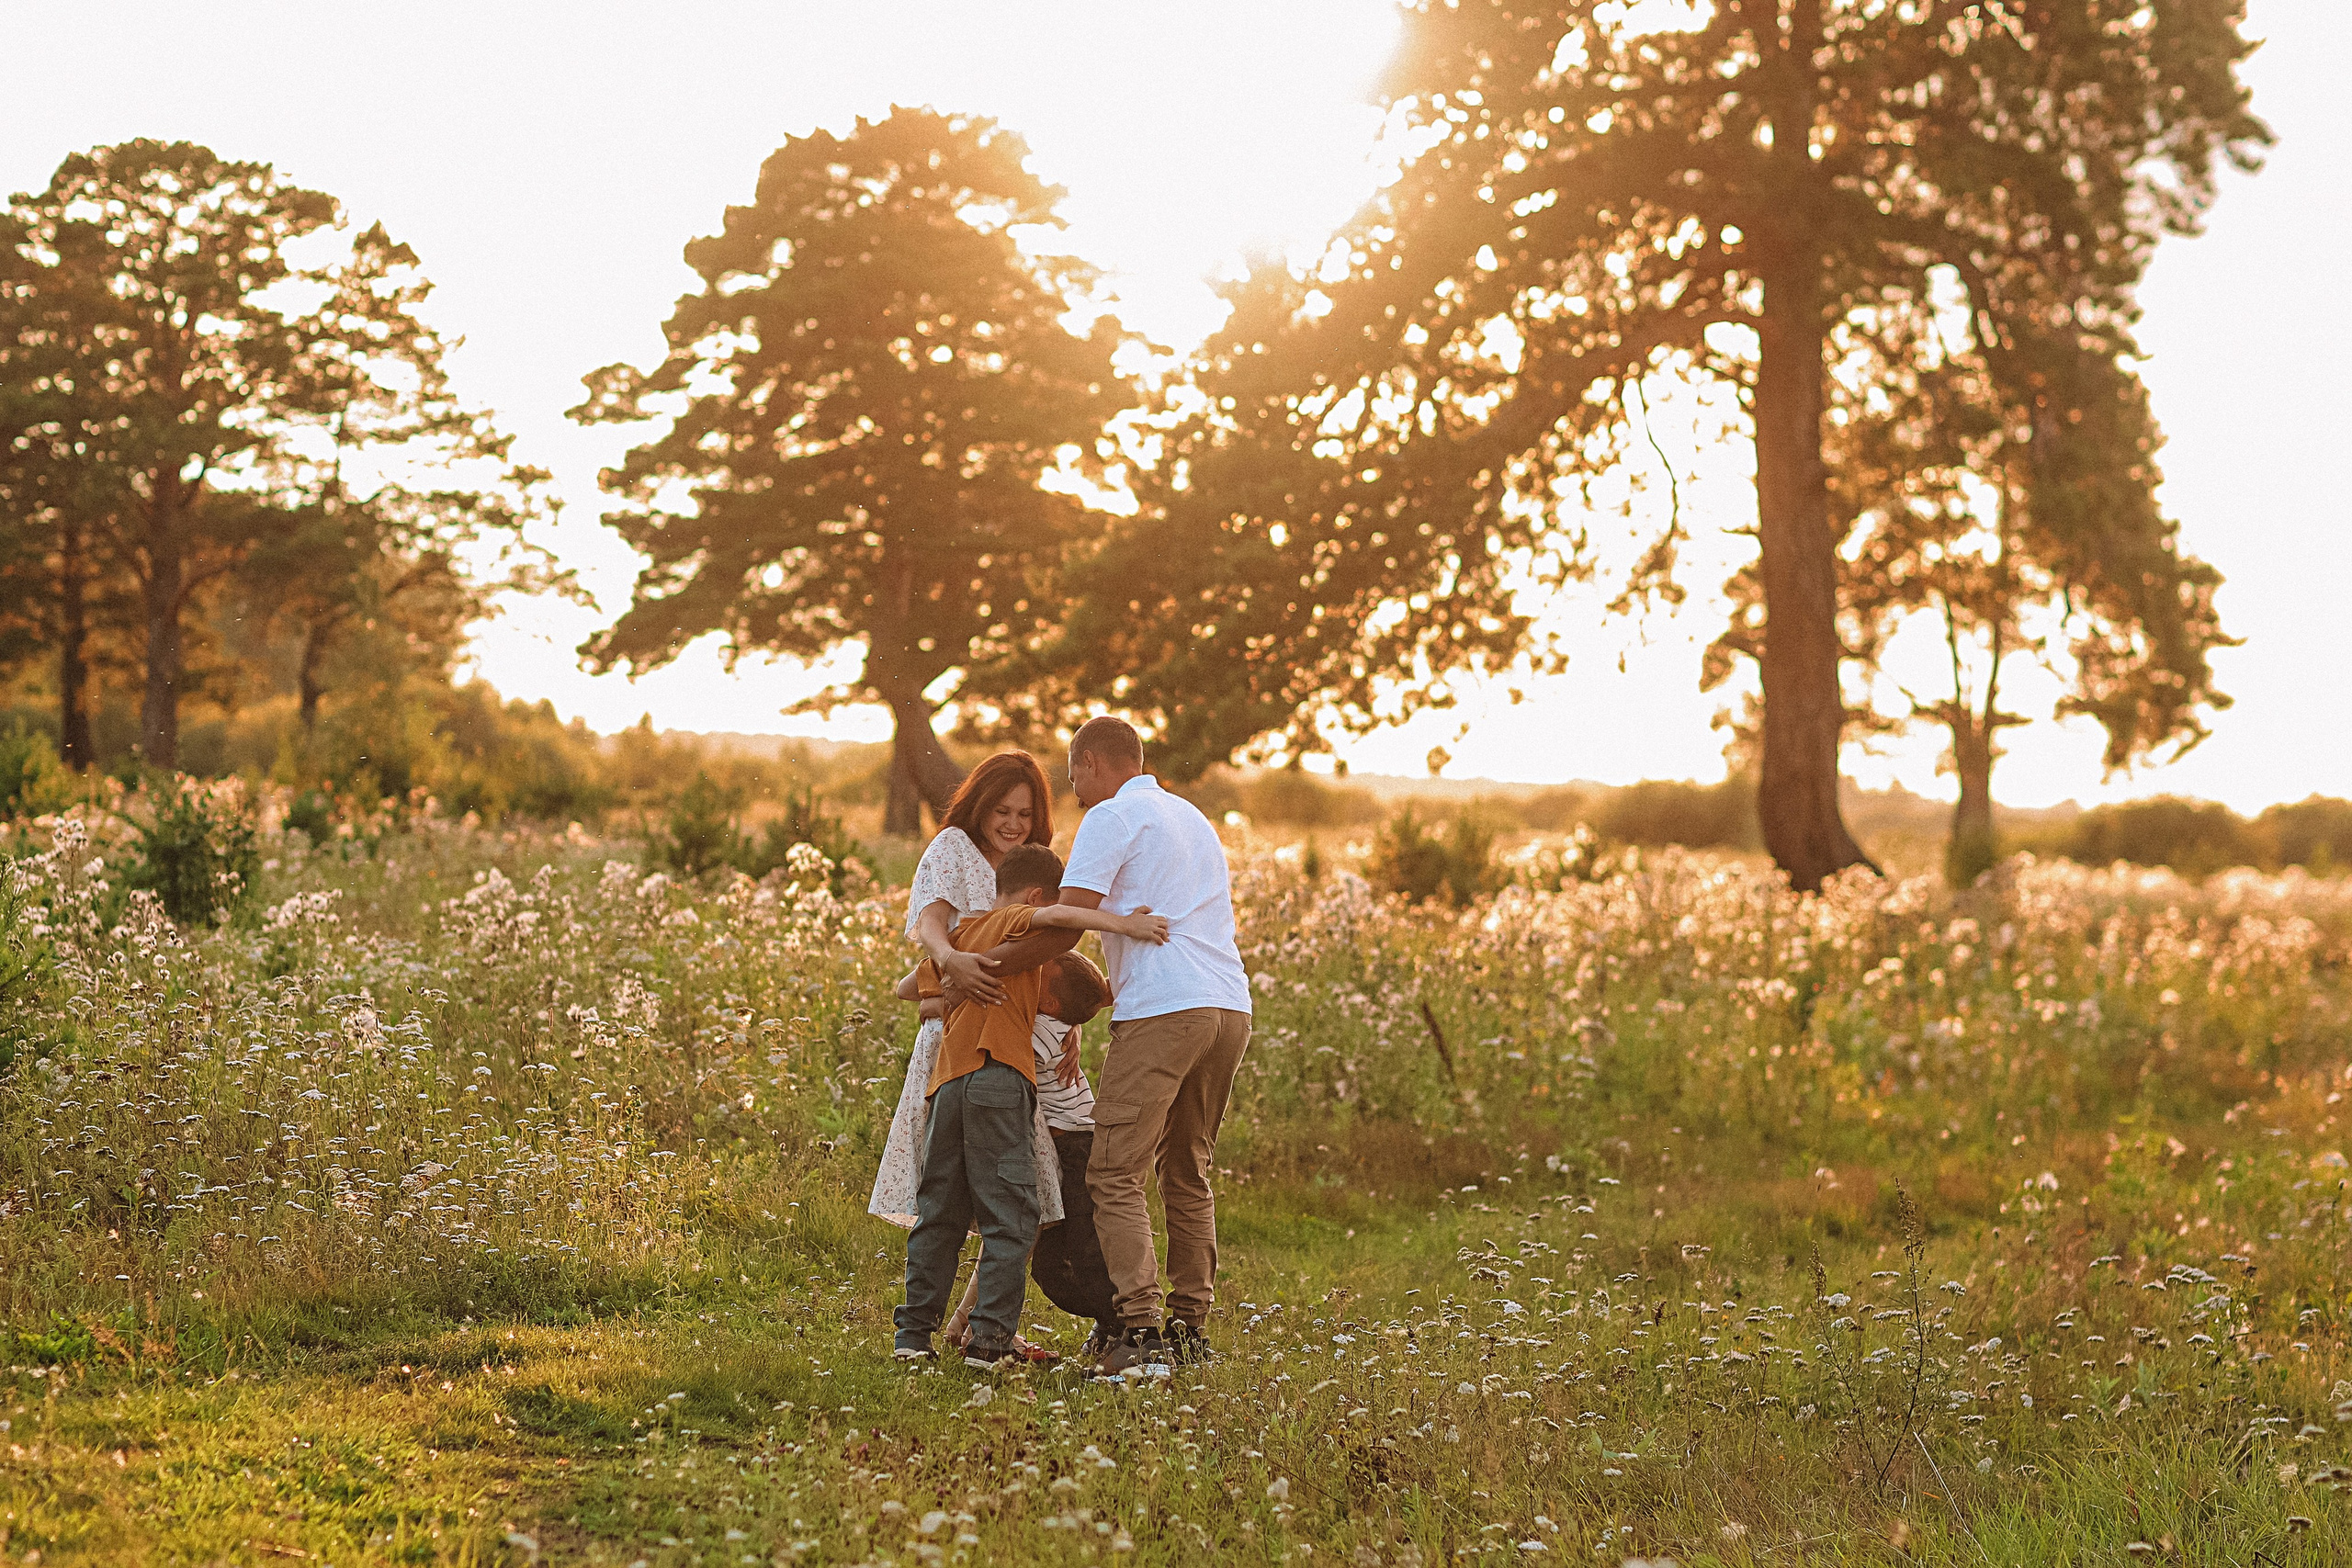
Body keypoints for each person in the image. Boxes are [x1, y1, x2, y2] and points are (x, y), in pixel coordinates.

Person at [892, 844, 1167, 1367]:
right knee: (1012, 1220)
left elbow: (907, 989)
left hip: (948, 1085)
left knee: (939, 1216)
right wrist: (1125, 926)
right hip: (999, 1079)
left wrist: (959, 975)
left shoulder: (965, 938)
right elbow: (1063, 918)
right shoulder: (1014, 923)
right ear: (1036, 895)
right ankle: (989, 1343)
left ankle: (913, 1339)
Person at [1058, 716, 1254, 1375]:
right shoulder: (1190, 817)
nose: (1075, 791)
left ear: (1091, 763)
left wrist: (993, 958)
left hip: (1166, 1008)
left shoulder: (1112, 816)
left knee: (1114, 1170)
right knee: (1186, 1169)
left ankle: (1138, 1331)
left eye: (1074, 776)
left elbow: (1068, 918)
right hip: (1228, 1005)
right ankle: (1189, 1325)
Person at [870, 752, 1066, 1235]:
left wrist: (1066, 1024)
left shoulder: (1032, 865)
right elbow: (932, 924)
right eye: (1002, 811)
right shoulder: (953, 847)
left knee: (1015, 1194)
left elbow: (1052, 945)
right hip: (954, 1040)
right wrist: (950, 959)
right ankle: (937, 1307)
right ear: (980, 804)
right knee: (948, 1192)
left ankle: (967, 1313)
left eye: (1025, 814)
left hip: (1017, 1037)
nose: (1013, 824)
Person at [901, 952, 1123, 1358]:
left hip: (1072, 1144)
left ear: (1051, 1004)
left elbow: (962, 1012)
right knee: (1024, 1232)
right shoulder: (1050, 1018)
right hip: (1055, 1134)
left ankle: (1119, 1323)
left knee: (1060, 1244)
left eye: (1041, 972)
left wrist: (940, 1002)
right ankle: (970, 1328)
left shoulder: (1035, 1025)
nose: (1031, 971)